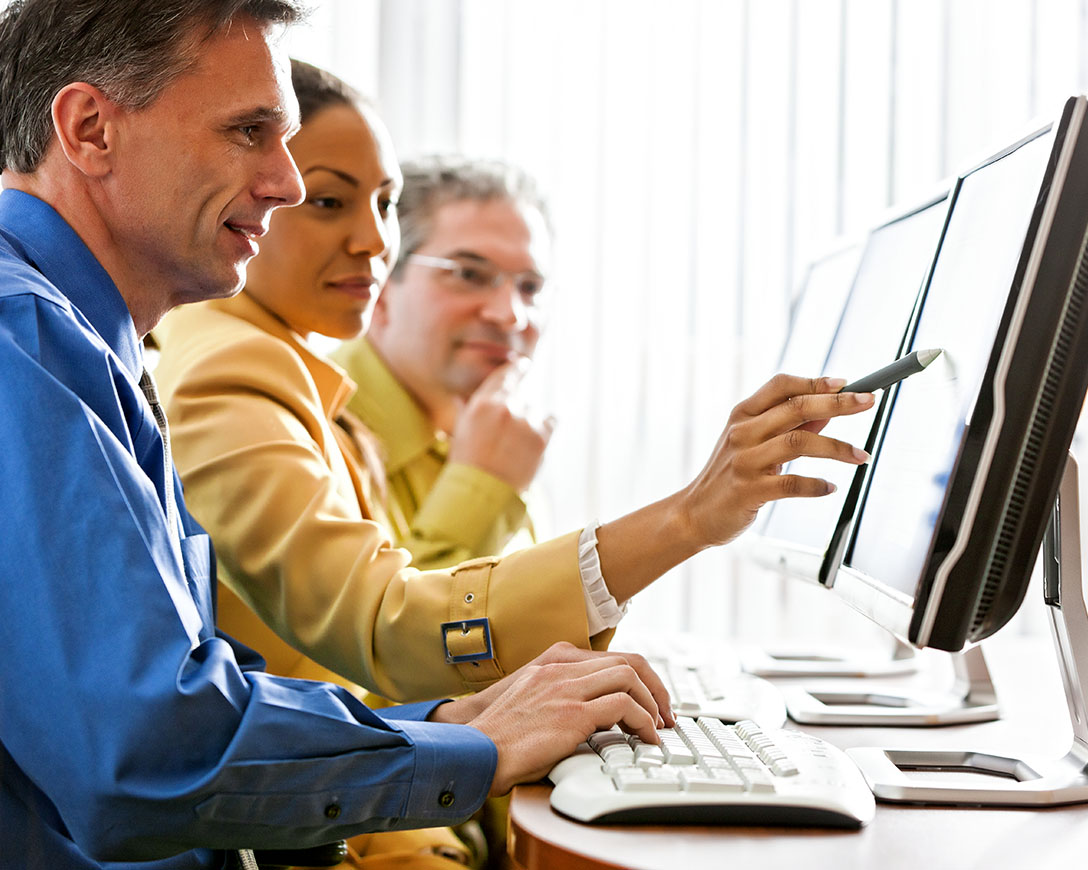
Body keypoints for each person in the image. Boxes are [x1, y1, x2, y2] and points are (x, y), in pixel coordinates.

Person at [0, 2, 681, 866]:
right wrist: (476, 750)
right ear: (91, 130)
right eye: (250, 132)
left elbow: (190, 690)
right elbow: (141, 756)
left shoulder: (86, 343)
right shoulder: (23, 339)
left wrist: (442, 723)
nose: (283, 185)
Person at [152, 43, 874, 718]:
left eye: (383, 204)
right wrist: (684, 517)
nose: (374, 241)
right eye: (328, 200)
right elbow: (392, 637)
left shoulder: (323, 378)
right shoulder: (240, 363)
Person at [331, 156, 552, 570]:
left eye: (530, 286)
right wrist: (484, 488)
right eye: (468, 274)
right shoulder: (306, 433)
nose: (511, 315)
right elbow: (380, 629)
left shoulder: (503, 432)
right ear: (378, 286)